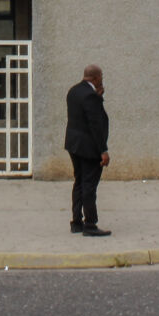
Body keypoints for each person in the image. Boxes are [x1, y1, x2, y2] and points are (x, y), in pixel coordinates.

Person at [64, 65, 111, 237]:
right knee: (89, 185)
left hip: (73, 144)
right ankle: (90, 224)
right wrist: (103, 151)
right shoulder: (91, 96)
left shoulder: (73, 91)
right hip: (88, 147)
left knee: (79, 181)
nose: (102, 79)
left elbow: (81, 115)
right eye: (102, 76)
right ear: (96, 78)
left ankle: (76, 222)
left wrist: (98, 98)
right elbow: (95, 125)